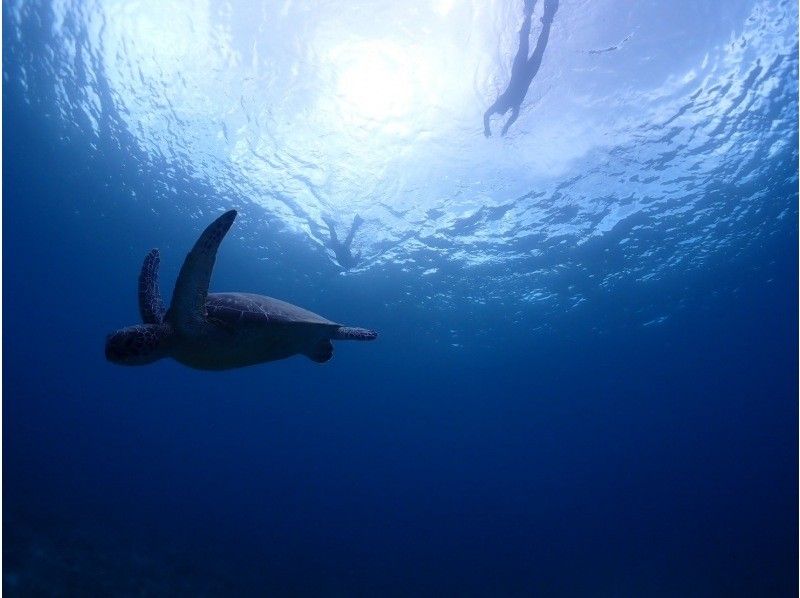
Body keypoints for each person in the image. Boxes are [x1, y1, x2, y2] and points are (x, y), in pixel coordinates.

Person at [484, 0, 559, 137]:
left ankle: (533, 14)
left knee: (529, 46)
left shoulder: (508, 103)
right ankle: (541, 17)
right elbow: (489, 115)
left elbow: (488, 114)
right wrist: (503, 127)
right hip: (525, 72)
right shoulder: (512, 105)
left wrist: (493, 128)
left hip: (522, 71)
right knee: (531, 46)